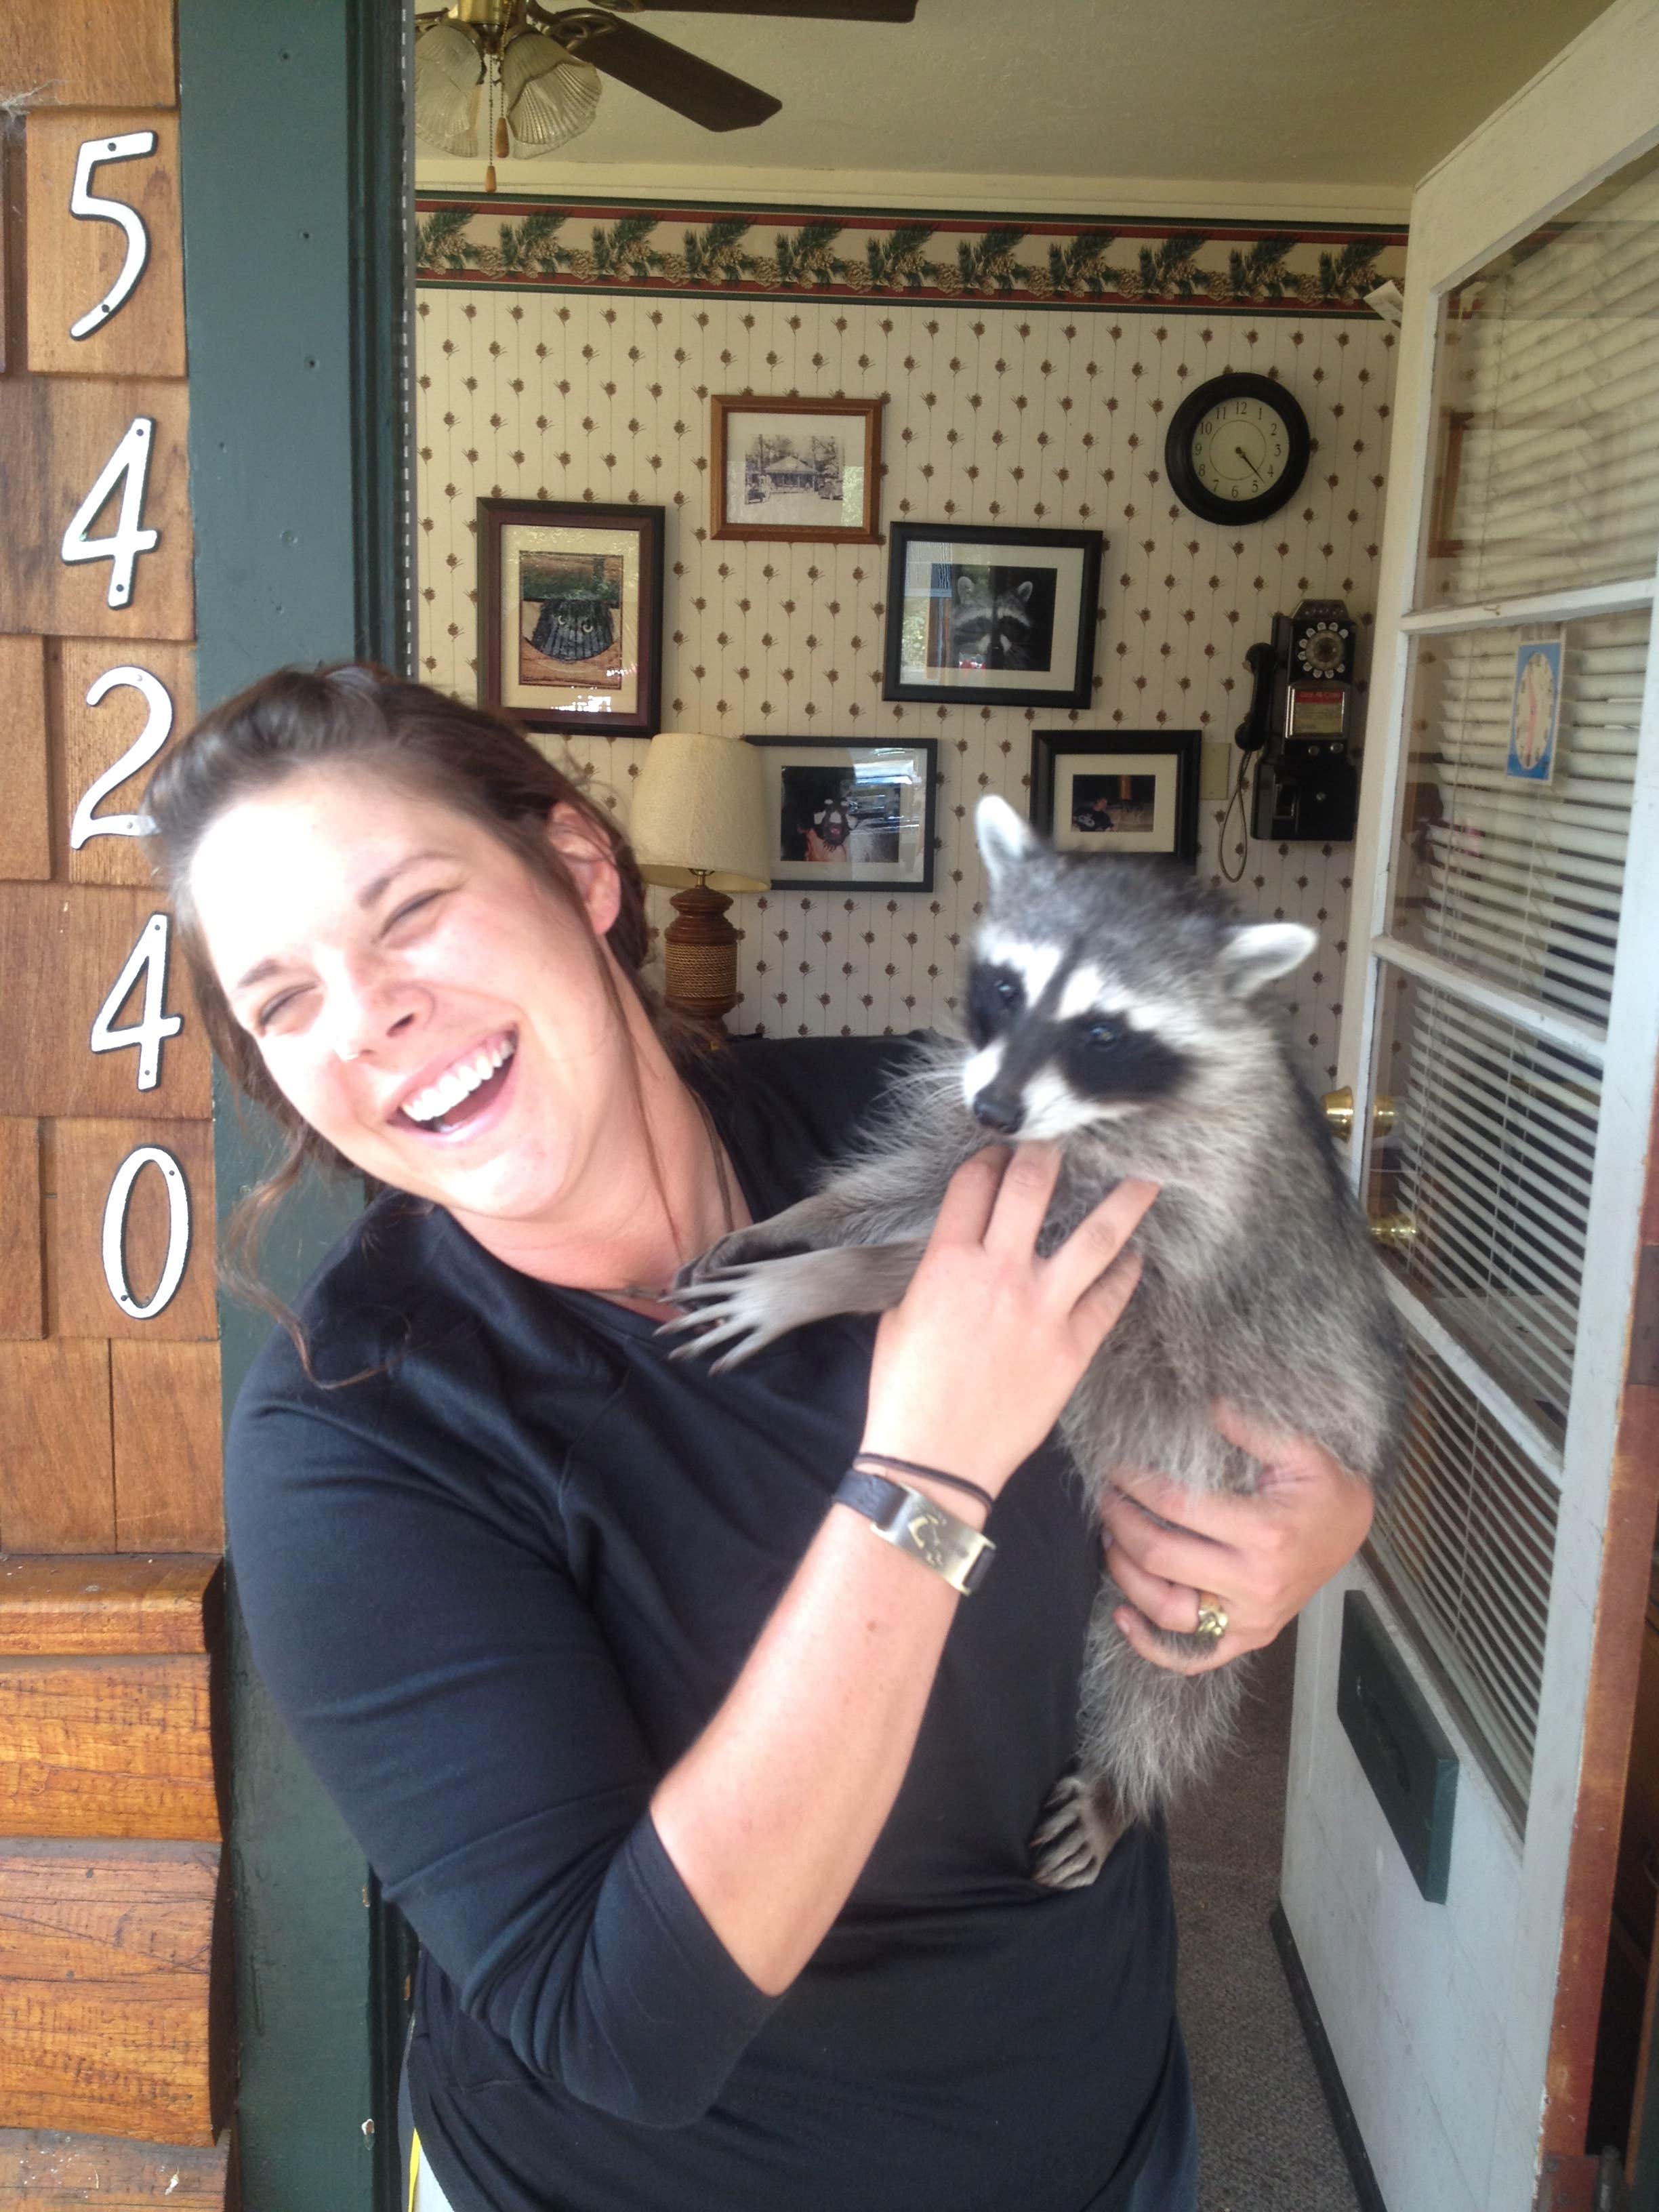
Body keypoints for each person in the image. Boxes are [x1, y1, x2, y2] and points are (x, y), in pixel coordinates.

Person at [146, 665, 1373, 2212]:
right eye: (284, 1000)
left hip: (1108, 2130)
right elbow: (619, 2031)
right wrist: (926, 1468)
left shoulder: (927, 1129)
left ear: (579, 869)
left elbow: (1250, 1355)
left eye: (413, 911)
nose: (370, 1013)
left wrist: (1299, 1528)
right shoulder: (357, 1435)